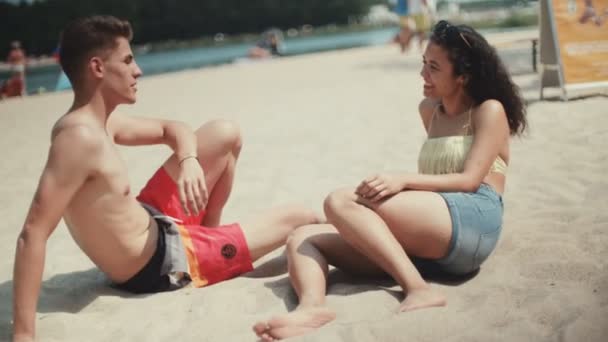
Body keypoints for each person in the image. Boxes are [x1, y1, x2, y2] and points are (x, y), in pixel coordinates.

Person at [11, 15, 319, 342]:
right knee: (300, 217)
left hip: (153, 218)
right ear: (98, 68)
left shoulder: (100, 123)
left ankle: (210, 234)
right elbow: (33, 234)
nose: (138, 70)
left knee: (224, 133)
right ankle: (211, 252)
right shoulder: (78, 139)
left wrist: (188, 162)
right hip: (163, 262)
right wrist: (24, 334)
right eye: (128, 60)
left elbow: (172, 129)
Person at [253, 20, 527, 341]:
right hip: (434, 239)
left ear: (463, 76)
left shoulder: (488, 111)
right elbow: (438, 180)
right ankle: (311, 308)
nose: (423, 74)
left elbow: (468, 181)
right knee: (304, 236)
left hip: (475, 222)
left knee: (341, 201)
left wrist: (402, 180)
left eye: (434, 68)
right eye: (423, 63)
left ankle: (418, 289)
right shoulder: (430, 111)